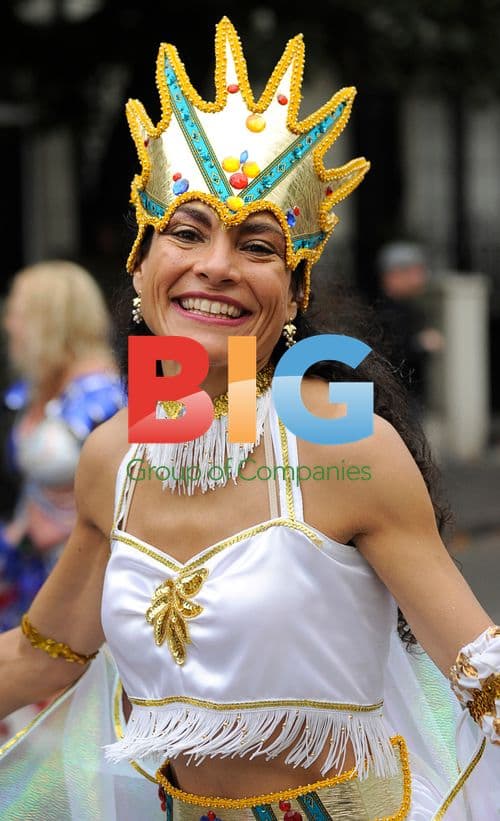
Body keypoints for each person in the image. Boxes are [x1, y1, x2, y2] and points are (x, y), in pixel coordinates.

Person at [0, 17, 498, 820]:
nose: (217, 266)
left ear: (296, 293)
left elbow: (482, 672)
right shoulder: (114, 457)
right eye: (187, 231)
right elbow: (43, 655)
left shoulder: (347, 447)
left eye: (259, 246)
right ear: (141, 261)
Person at [0, 261, 125, 632]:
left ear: (48, 320)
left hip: (84, 586)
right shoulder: (39, 387)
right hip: (28, 577)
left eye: (17, 313)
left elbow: (137, 500)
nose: (9, 325)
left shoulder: (108, 399)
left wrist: (69, 525)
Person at [376, 241, 445, 414]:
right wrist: (420, 344)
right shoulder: (384, 311)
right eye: (415, 271)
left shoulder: (410, 307)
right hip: (396, 397)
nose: (421, 278)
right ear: (394, 275)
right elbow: (390, 353)